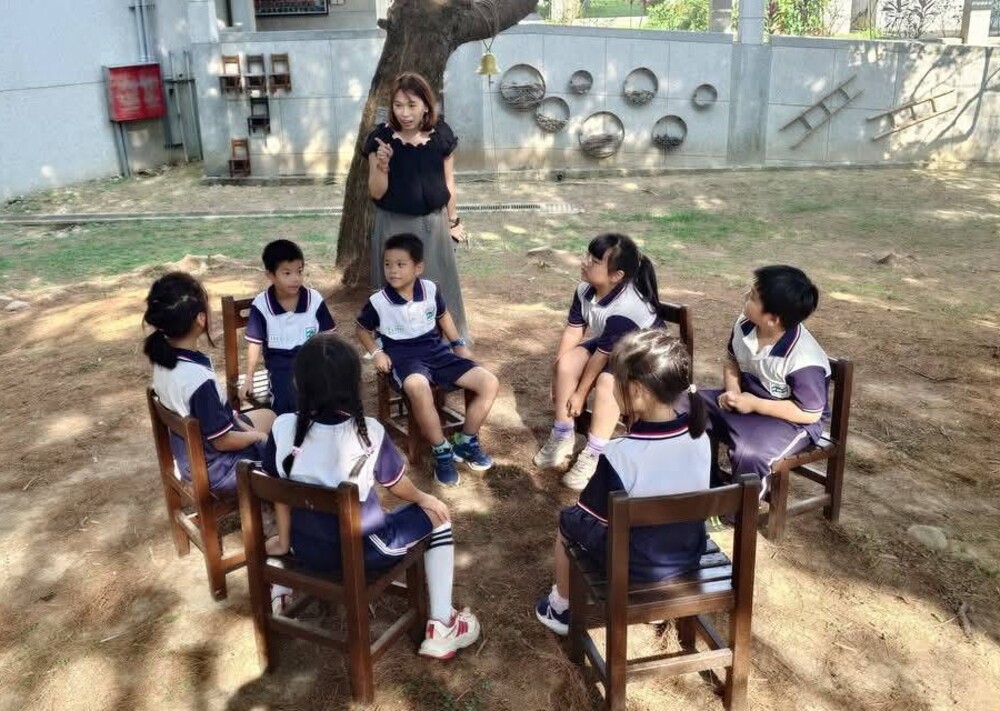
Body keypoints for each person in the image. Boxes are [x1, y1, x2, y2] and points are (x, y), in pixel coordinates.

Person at [262, 333, 482, 660]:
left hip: (306, 547)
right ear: (352, 384)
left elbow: (276, 485)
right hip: (363, 550)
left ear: (299, 383)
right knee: (439, 517)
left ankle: (280, 589)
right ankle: (442, 625)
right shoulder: (369, 432)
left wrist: (284, 540)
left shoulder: (282, 428)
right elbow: (397, 485)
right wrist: (425, 498)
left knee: (292, 533)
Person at [534, 329, 711, 635]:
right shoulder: (700, 436)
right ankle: (655, 611)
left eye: (615, 379)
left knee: (567, 523)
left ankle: (561, 607)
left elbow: (589, 515)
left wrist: (571, 517)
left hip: (637, 565)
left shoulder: (619, 454)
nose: (611, 384)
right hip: (687, 551)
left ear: (638, 390)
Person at [355, 233, 499, 486]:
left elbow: (443, 315)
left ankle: (465, 442)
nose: (392, 270)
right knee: (417, 387)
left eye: (401, 264)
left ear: (418, 268)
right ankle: (442, 451)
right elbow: (362, 329)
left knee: (489, 382)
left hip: (437, 353)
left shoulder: (430, 289)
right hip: (403, 358)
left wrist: (458, 345)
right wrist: (377, 353)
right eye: (387, 264)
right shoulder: (379, 301)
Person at [533, 233, 671, 490]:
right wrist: (557, 376)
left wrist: (579, 394)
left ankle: (594, 453)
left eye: (595, 261)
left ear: (616, 276)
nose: (585, 262)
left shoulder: (627, 308)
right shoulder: (584, 291)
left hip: (647, 360)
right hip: (614, 347)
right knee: (567, 363)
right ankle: (563, 434)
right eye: (587, 255)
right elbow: (573, 332)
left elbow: (601, 358)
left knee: (608, 382)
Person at [698, 265, 830, 494]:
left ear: (772, 319)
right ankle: (706, 485)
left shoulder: (804, 360)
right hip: (748, 402)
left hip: (791, 422)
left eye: (752, 297)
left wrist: (755, 404)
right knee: (688, 406)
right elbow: (732, 360)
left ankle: (739, 511)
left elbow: (809, 413)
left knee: (750, 455)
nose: (745, 296)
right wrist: (733, 392)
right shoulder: (744, 324)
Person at [144, 271, 275, 495]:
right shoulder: (198, 381)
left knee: (271, 417)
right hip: (217, 469)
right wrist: (258, 437)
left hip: (192, 453)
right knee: (280, 449)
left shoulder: (163, 359)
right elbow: (222, 442)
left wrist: (241, 424)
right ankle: (269, 500)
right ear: (200, 319)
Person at [362, 72, 470, 340]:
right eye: (398, 105)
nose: (405, 113)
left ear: (426, 106)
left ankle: (446, 341)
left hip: (434, 225)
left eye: (412, 105)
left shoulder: (441, 134)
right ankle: (395, 340)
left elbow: (448, 181)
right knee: (398, 285)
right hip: (394, 226)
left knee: (437, 284)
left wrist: (453, 221)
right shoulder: (381, 139)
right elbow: (376, 192)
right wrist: (382, 166)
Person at [241, 239, 337, 415]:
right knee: (288, 398)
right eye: (287, 273)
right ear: (270, 275)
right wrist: (249, 378)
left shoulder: (314, 299)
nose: (296, 278)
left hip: (312, 360)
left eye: (299, 271)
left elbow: (329, 336)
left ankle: (320, 426)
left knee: (327, 394)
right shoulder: (261, 305)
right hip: (281, 365)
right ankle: (289, 429)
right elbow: (254, 343)